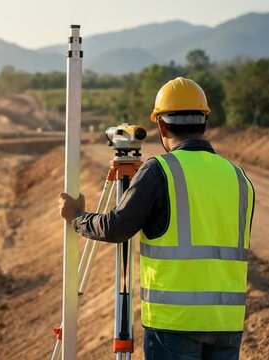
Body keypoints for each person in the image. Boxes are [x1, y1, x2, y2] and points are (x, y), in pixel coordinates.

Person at [59, 77, 255, 360]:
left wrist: (76, 216)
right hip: (227, 324)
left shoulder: (161, 170)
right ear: (205, 123)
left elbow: (116, 228)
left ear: (161, 125)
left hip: (174, 324)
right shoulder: (239, 177)